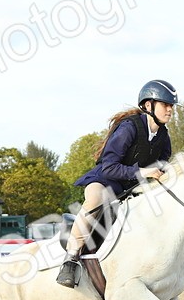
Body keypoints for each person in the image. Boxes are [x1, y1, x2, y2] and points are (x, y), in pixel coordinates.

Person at [56, 79, 177, 288]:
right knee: (95, 199)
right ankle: (71, 259)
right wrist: (144, 172)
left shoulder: (163, 136)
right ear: (148, 105)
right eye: (165, 104)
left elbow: (163, 165)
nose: (170, 110)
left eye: (171, 106)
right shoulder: (129, 127)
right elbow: (109, 167)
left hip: (131, 189)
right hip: (105, 180)